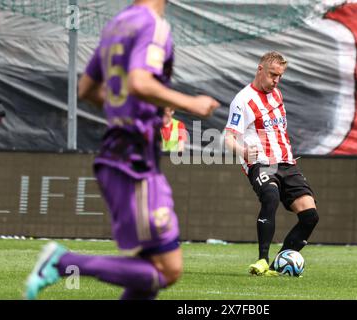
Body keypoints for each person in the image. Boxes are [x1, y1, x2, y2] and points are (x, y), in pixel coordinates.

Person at [25, 0, 219, 300]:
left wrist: (124, 110)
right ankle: (63, 262)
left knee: (147, 269)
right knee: (168, 269)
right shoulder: (153, 24)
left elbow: (87, 89)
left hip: (119, 154)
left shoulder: (117, 24)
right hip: (134, 160)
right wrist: (191, 103)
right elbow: (139, 82)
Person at [224, 52, 319, 276]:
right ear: (260, 70)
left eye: (280, 76)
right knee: (271, 196)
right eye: (272, 74)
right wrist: (244, 151)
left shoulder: (277, 95)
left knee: (310, 216)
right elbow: (228, 138)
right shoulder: (243, 100)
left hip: (286, 162)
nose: (276, 80)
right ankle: (262, 260)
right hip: (261, 162)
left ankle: (280, 263)